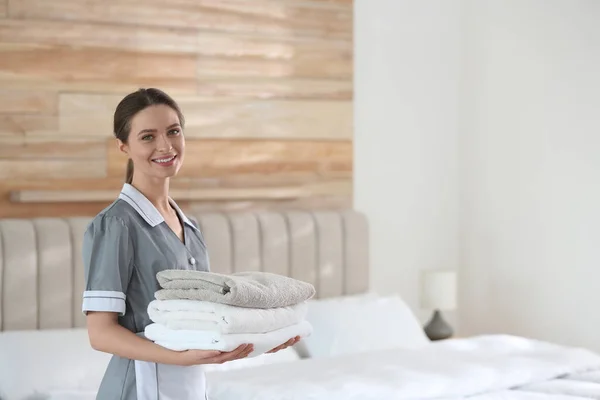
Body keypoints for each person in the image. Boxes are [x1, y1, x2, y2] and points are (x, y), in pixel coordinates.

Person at [82, 88, 300, 400]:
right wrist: (181, 358)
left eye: (173, 131)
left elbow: (201, 323)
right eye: (147, 136)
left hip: (188, 386)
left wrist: (260, 341)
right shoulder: (116, 224)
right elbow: (100, 334)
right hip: (138, 387)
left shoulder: (189, 226)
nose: (165, 145)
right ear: (123, 146)